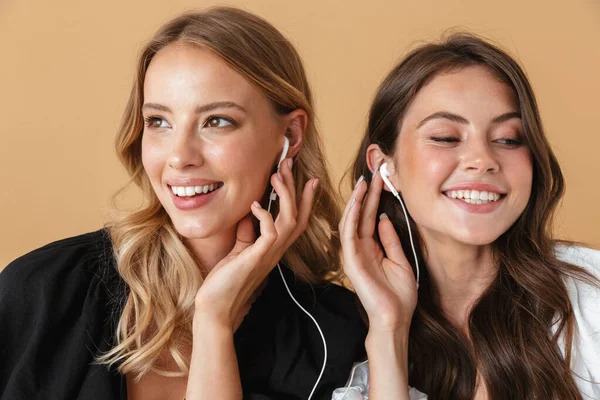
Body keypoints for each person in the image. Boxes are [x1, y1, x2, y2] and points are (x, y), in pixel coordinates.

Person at [0, 7, 367, 400]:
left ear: (290, 135)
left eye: (217, 121)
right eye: (159, 122)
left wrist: (214, 319)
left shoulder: (333, 337)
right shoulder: (44, 290)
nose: (179, 157)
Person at [333, 33, 600, 399]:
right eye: (445, 137)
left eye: (508, 139)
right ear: (384, 168)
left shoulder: (589, 300)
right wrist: (388, 330)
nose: (483, 160)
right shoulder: (346, 351)